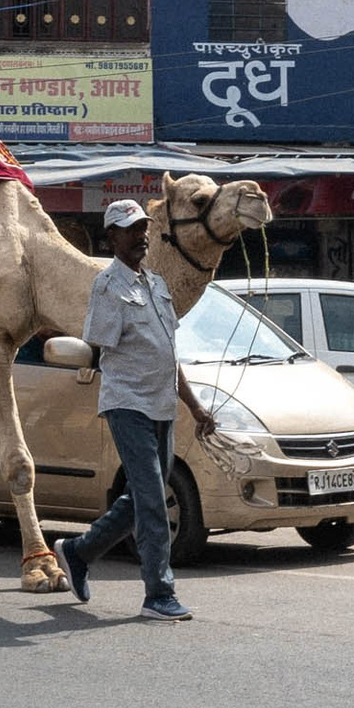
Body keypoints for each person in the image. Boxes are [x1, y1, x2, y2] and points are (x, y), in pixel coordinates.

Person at [54, 198, 210, 620]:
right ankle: (159, 593)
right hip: (128, 405)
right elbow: (99, 349)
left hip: (162, 406)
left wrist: (194, 406)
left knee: (142, 497)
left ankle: (77, 551)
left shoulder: (155, 284)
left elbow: (167, 353)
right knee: (153, 500)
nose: (140, 236)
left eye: (143, 227)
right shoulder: (107, 287)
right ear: (112, 237)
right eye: (130, 229)